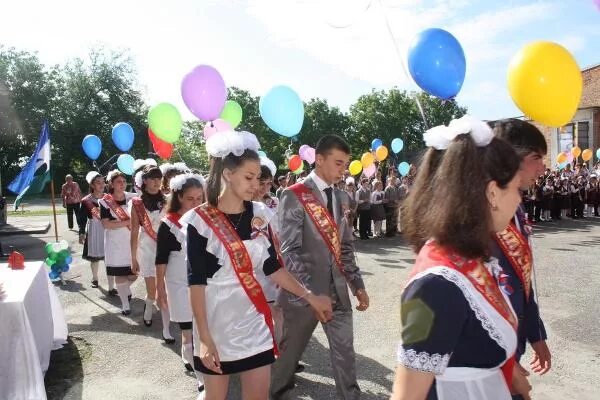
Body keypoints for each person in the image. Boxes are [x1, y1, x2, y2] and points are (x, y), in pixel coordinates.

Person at [184, 130, 332, 400]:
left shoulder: (261, 215)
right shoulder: (200, 221)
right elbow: (196, 281)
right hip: (216, 321)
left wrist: (310, 297)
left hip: (254, 320)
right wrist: (204, 337)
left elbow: (273, 267)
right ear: (228, 174)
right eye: (249, 177)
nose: (256, 185)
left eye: (259, 178)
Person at [392, 116, 527, 400]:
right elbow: (407, 394)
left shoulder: (468, 257)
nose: (519, 200)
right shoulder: (434, 286)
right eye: (518, 189)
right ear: (492, 192)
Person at [271, 134, 369, 400]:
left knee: (344, 350)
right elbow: (288, 251)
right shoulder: (293, 196)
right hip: (303, 295)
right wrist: (312, 293)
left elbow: (345, 247)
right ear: (319, 159)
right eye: (338, 163)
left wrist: (357, 285)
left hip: (337, 290)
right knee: (289, 353)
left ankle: (350, 396)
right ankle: (275, 392)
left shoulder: (342, 197)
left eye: (345, 164)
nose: (343, 169)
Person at [492, 119, 552, 400]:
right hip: (491, 357)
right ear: (510, 158)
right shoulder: (482, 216)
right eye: (536, 158)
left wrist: (536, 334)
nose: (542, 167)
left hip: (512, 347)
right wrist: (502, 361)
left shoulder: (515, 208)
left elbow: (521, 280)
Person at [155, 173, 206, 395]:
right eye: (189, 199)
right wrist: (159, 289)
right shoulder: (168, 224)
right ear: (178, 198)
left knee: (201, 326)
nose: (195, 203)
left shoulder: (207, 218)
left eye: (199, 198)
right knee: (187, 327)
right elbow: (161, 259)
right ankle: (193, 362)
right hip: (177, 280)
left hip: (204, 281)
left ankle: (202, 368)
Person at [129, 165, 172, 341]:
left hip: (167, 248)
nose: (156, 182)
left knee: (167, 289)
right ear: (144, 180)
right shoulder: (136, 203)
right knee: (152, 291)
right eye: (152, 178)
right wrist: (133, 258)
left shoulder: (169, 200)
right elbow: (133, 231)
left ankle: (166, 329)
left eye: (158, 178)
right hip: (147, 249)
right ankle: (148, 307)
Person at [99, 170, 137, 313]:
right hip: (115, 243)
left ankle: (125, 289)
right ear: (111, 184)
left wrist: (118, 222)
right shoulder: (105, 202)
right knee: (119, 273)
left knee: (135, 272)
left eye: (123, 181)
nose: (122, 184)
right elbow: (106, 224)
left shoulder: (133, 198)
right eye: (118, 182)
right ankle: (125, 305)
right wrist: (128, 221)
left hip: (132, 240)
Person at [79, 171, 107, 289]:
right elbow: (82, 218)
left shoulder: (109, 198)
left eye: (103, 182)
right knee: (94, 257)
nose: (101, 185)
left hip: (108, 229)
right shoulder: (86, 200)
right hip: (94, 229)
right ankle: (95, 278)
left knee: (109, 256)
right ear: (92, 185)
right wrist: (81, 232)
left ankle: (111, 283)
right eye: (98, 182)